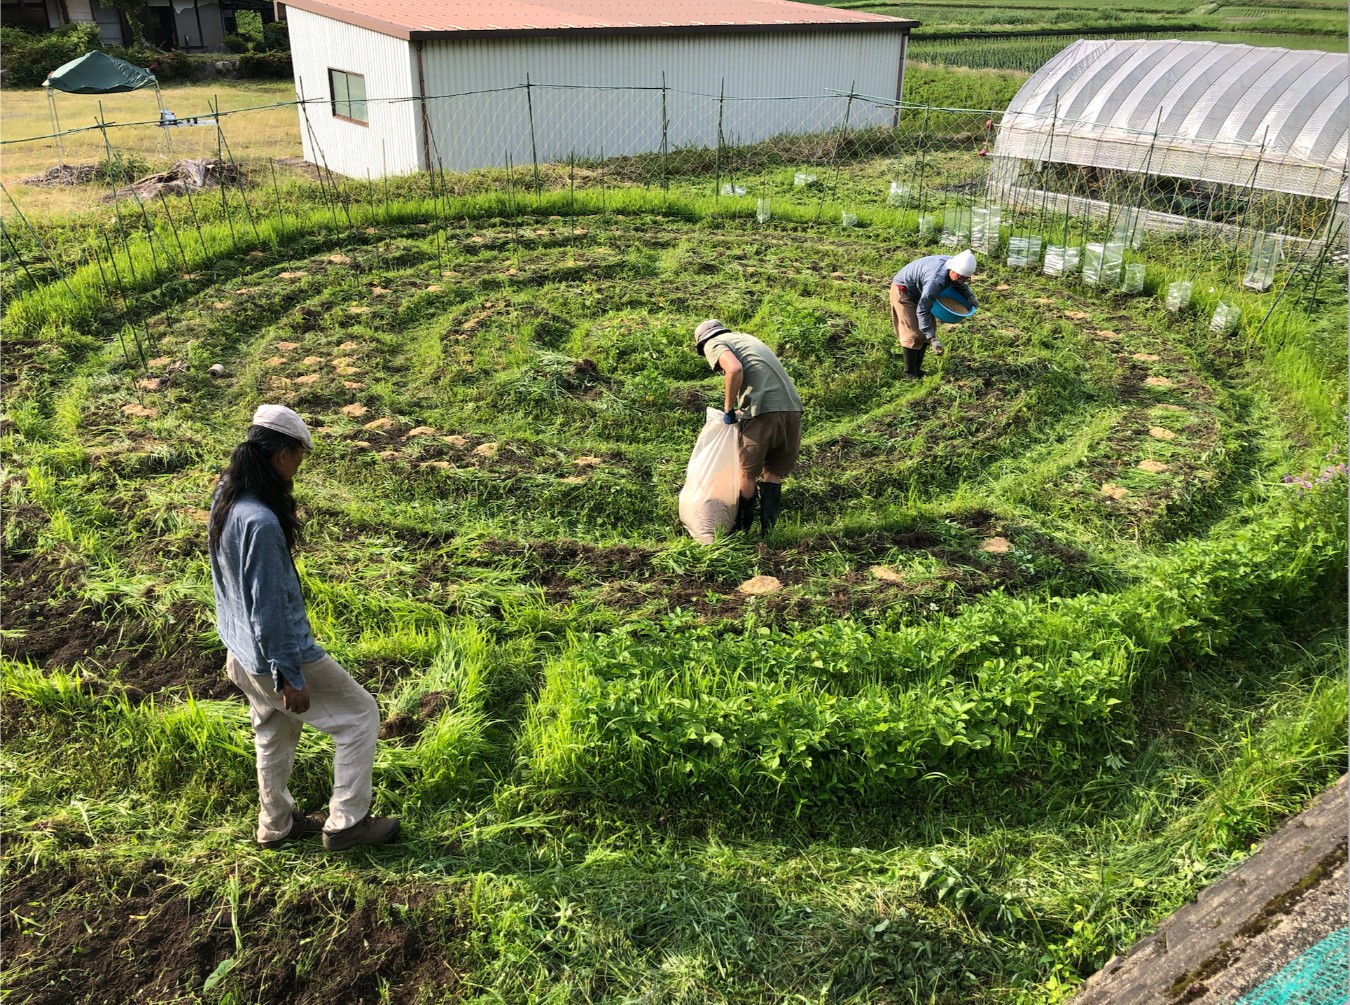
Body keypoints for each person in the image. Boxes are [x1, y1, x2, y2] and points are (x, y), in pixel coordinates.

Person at [208, 404, 399, 852]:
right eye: (299, 457)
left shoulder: (227, 494)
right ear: (281, 455)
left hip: (240, 651)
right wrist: (290, 674)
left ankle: (276, 824)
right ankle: (348, 824)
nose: (298, 467)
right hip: (275, 655)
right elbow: (271, 610)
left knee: (273, 730)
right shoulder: (261, 521)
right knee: (360, 716)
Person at [693, 319, 803, 535]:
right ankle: (767, 534)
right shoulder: (746, 339)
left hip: (763, 410)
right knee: (772, 472)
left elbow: (734, 369)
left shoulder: (714, 343)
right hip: (792, 409)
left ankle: (742, 530)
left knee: (746, 472)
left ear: (703, 341)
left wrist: (728, 409)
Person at [889, 249, 978, 379]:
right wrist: (933, 339)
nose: (961, 281)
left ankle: (918, 369)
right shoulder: (935, 281)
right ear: (952, 269)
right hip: (904, 291)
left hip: (921, 290)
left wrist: (969, 296)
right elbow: (923, 310)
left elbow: (959, 283)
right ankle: (910, 373)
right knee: (913, 333)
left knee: (927, 330)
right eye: (960, 277)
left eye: (966, 279)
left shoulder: (955, 268)